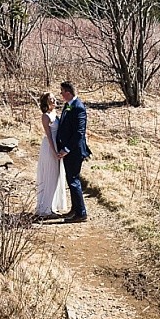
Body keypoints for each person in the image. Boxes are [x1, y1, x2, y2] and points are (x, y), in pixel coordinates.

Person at [54, 80, 91, 223]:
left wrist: (66, 149)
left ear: (68, 93)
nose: (61, 94)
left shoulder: (78, 108)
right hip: (67, 150)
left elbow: (79, 133)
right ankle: (75, 209)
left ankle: (81, 213)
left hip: (74, 151)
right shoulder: (68, 105)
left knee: (74, 180)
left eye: (62, 92)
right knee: (71, 180)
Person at [34, 91, 68, 219]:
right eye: (51, 100)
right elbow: (48, 135)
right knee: (50, 176)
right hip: (49, 147)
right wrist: (54, 151)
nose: (54, 101)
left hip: (57, 145)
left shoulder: (56, 114)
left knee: (56, 176)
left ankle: (52, 205)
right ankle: (46, 209)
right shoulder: (46, 116)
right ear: (46, 103)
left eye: (54, 99)